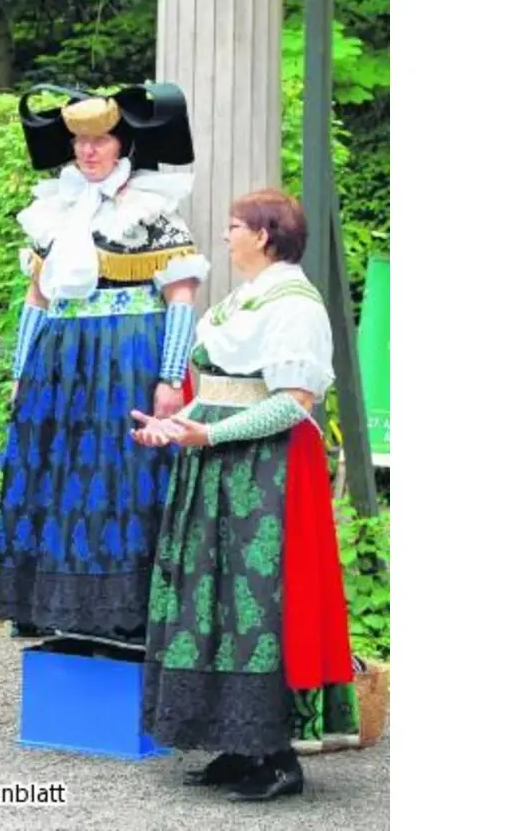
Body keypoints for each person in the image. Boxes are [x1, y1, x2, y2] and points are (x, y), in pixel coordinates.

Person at [131, 187, 357, 802]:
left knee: (260, 601)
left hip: (268, 474)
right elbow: (218, 387)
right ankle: (235, 741)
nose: (225, 235)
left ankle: (278, 758)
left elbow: (292, 402)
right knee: (217, 602)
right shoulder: (243, 300)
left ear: (264, 235)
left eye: (234, 226)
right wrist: (173, 428)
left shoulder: (295, 305)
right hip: (219, 466)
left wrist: (211, 434)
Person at [0, 83, 210, 645]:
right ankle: (52, 603)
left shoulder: (153, 211)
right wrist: (21, 371)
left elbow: (181, 297)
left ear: (122, 145)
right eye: (80, 141)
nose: (89, 151)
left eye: (101, 139)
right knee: (55, 468)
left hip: (126, 352)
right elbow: (37, 299)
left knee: (121, 476)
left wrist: (168, 378)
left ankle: (126, 610)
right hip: (60, 360)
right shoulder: (56, 211)